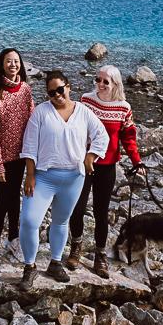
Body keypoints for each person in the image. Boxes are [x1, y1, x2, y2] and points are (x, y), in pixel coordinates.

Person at [17, 69, 108, 290]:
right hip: (43, 177)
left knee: (61, 221)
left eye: (60, 90)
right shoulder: (40, 113)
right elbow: (29, 146)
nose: (57, 95)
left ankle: (55, 263)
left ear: (68, 87)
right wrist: (30, 176)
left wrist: (90, 156)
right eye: (51, 93)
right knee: (29, 220)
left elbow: (101, 135)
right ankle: (29, 267)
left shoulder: (84, 112)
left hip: (73, 178)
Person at [65, 64, 144, 277]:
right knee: (77, 208)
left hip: (107, 166)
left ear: (115, 85)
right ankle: (76, 247)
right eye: (97, 80)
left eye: (105, 82)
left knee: (101, 213)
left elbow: (128, 138)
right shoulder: (86, 100)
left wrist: (137, 162)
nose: (99, 84)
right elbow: (74, 128)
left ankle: (100, 256)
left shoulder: (123, 108)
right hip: (83, 163)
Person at [0, 47, 34, 266]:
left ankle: (13, 240)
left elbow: (34, 120)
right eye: (9, 61)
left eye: (16, 61)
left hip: (22, 156)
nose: (13, 65)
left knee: (15, 201)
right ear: (2, 65)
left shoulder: (26, 90)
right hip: (4, 158)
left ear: (20, 64)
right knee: (2, 202)